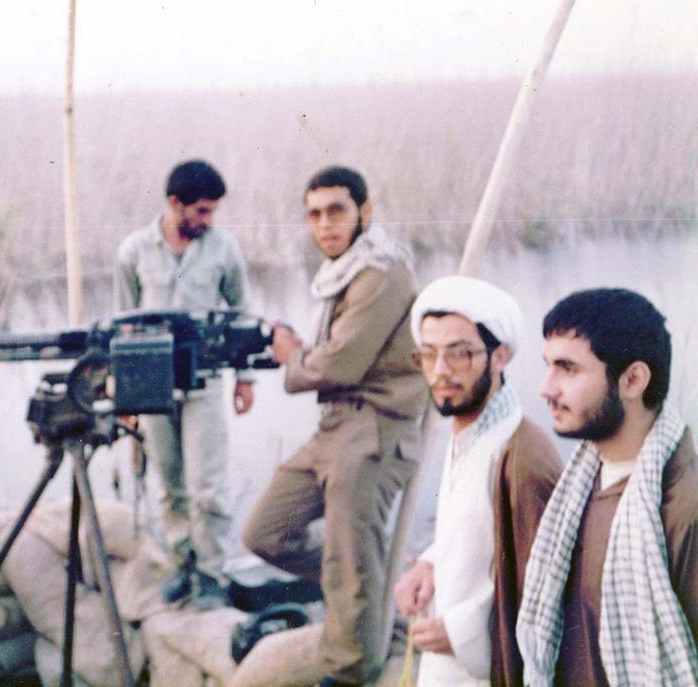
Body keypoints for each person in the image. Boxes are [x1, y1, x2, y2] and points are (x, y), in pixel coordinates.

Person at [242, 166, 427, 686]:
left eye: (336, 211)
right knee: (265, 533)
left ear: (365, 213)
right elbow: (335, 356)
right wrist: (306, 355)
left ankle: (348, 671)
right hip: (337, 425)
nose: (324, 224)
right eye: (314, 215)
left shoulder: (381, 272)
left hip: (375, 429)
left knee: (351, 559)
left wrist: (294, 356)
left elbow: (340, 364)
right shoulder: (346, 272)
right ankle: (365, 588)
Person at [517, 288, 698, 687]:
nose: (546, 388)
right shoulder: (577, 487)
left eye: (568, 368)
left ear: (633, 380)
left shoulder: (683, 507)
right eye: (548, 366)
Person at [393, 276, 562, 686]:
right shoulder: (468, 429)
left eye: (460, 354)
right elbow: (477, 527)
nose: (440, 371)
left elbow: (550, 594)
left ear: (499, 356)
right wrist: (431, 563)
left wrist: (463, 632)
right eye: (428, 354)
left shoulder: (524, 455)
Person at [114, 159, 253, 608]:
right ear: (175, 204)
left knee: (207, 487)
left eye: (213, 212)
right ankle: (182, 564)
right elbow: (122, 326)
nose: (209, 220)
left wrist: (245, 378)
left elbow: (242, 313)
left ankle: (211, 573)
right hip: (152, 385)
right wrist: (126, 394)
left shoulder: (224, 249)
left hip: (204, 382)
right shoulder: (134, 251)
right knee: (168, 485)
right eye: (202, 211)